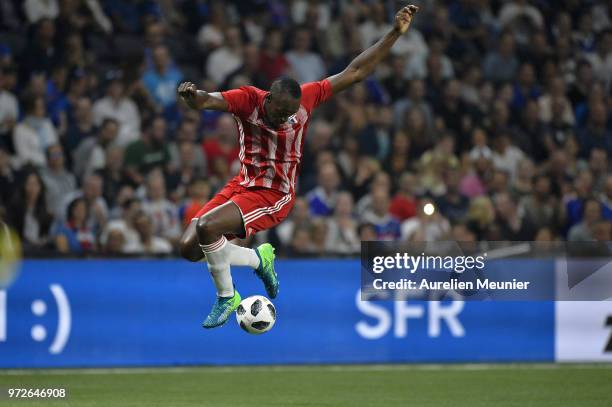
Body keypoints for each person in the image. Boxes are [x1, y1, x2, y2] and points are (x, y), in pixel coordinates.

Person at [176, 5, 420, 328]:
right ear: (269, 100)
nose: (285, 119)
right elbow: (207, 100)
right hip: (243, 184)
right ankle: (258, 259)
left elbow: (356, 72)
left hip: (274, 193)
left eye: (291, 113)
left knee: (208, 227)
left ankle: (227, 297)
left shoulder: (305, 99)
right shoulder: (248, 100)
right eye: (280, 112)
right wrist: (192, 96)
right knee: (189, 249)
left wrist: (393, 34)